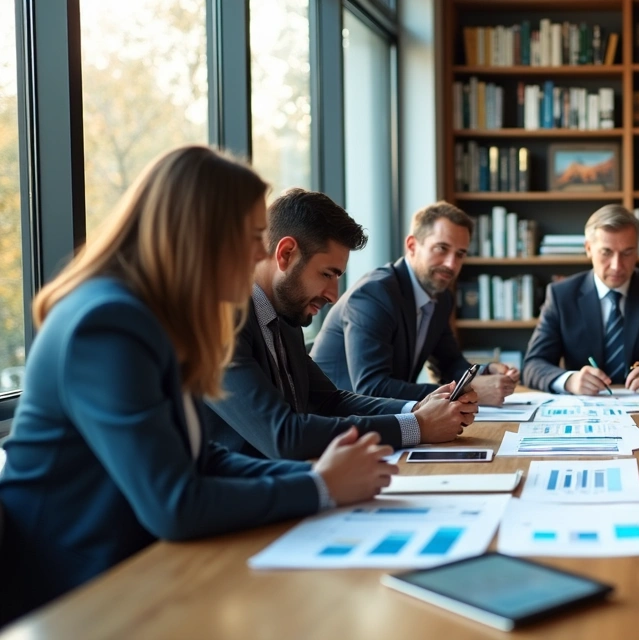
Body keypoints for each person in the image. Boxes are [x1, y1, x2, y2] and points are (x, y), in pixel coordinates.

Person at [0, 147, 396, 624]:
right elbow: (175, 505)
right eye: (252, 237)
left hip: (139, 570)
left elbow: (200, 456)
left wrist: (322, 480)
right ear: (199, 235)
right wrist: (319, 487)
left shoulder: (150, 318)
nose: (259, 254)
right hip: (75, 597)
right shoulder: (106, 323)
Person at [203, 189, 476, 461]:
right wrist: (416, 427)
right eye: (326, 274)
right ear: (285, 254)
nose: (334, 295)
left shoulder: (283, 313)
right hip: (243, 494)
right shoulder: (218, 321)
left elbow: (329, 401)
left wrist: (416, 409)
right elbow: (283, 436)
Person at [312, 201, 518, 406]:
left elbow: (449, 363)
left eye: (460, 254)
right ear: (412, 246)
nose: (451, 264)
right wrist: (466, 391)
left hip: (383, 420)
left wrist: (484, 371)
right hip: (335, 421)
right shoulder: (374, 294)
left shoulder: (441, 297)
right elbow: (371, 388)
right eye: (441, 248)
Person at [522, 204, 639, 394]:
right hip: (583, 408)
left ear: (638, 250)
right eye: (606, 252)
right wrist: (569, 381)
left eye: (627, 253)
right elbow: (533, 365)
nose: (617, 266)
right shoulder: (561, 295)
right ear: (589, 249)